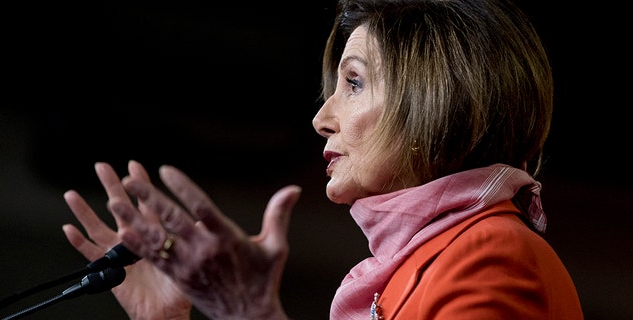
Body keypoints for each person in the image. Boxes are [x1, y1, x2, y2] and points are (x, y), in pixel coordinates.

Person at [60, 0, 584, 318]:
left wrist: (249, 312)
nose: (322, 117)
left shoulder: (492, 254)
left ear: (439, 95)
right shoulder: (428, 260)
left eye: (353, 82)